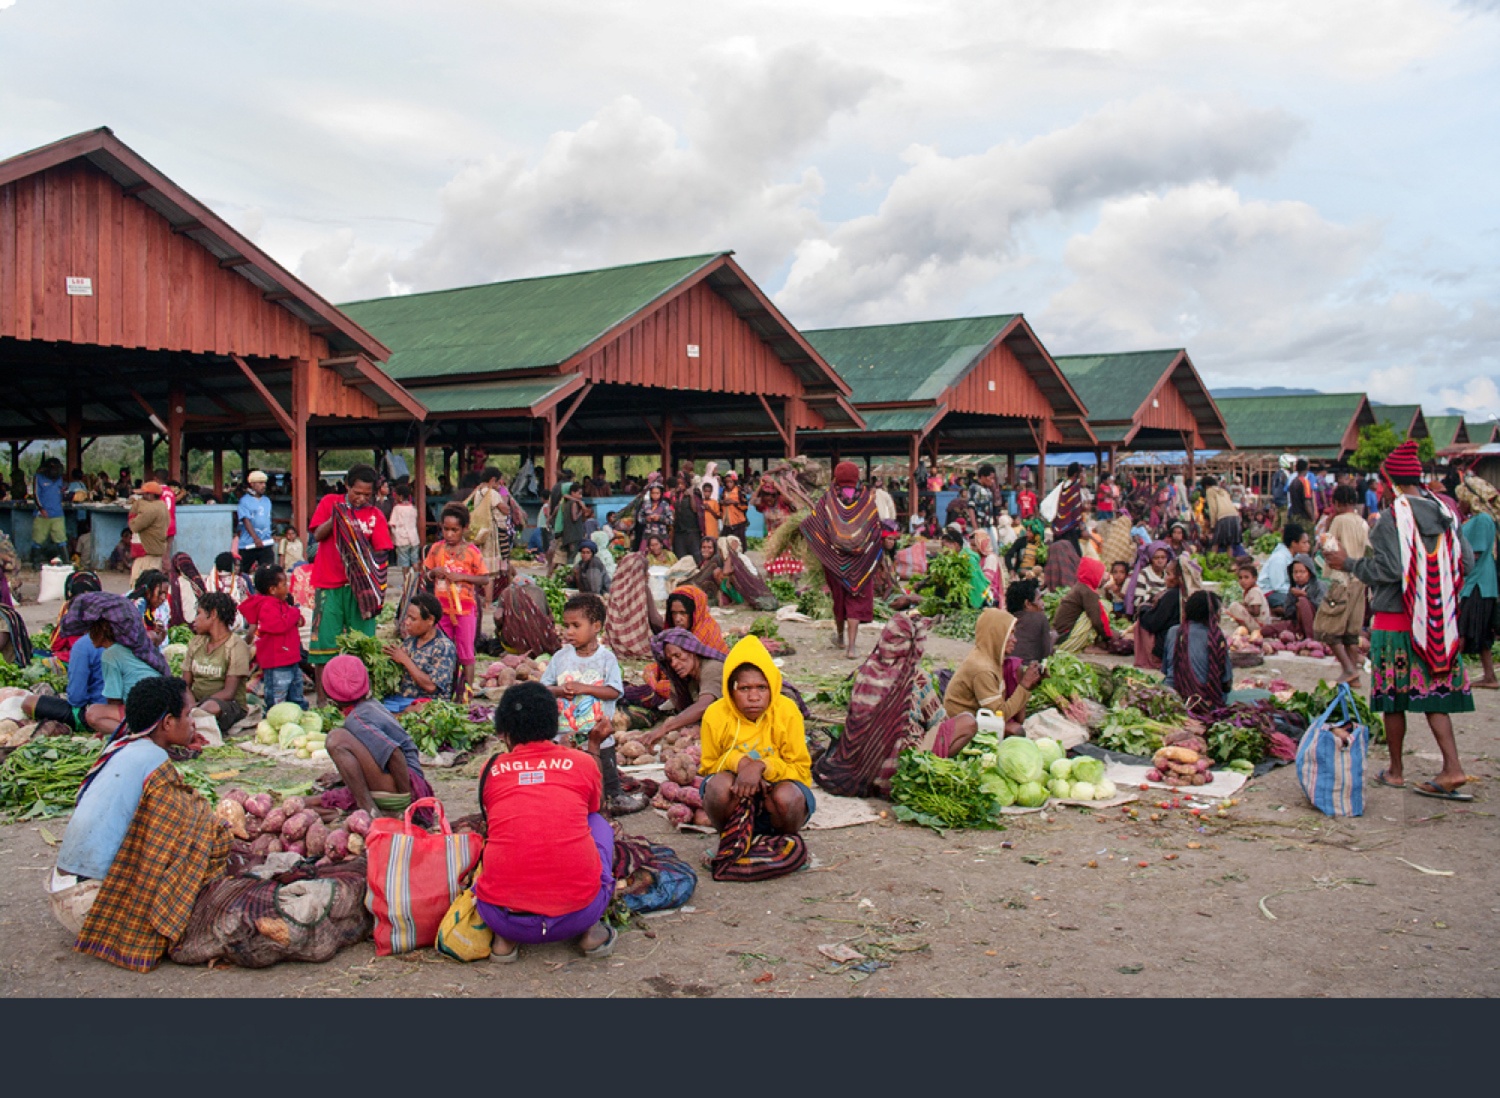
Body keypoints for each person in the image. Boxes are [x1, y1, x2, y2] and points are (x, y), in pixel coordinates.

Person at [48, 675, 232, 972]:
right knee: (207, 846)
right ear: (168, 723)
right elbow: (194, 832)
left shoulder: (120, 747)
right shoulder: (154, 761)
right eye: (188, 715)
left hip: (63, 889)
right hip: (92, 904)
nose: (194, 723)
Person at [1325, 440, 1475, 799]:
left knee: (1393, 697)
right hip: (1436, 620)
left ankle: (1395, 770)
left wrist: (1347, 563)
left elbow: (1389, 569)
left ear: (1389, 480)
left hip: (1395, 620)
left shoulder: (1392, 518)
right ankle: (1453, 766)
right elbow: (1465, 564)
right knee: (1434, 694)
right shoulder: (1446, 513)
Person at [474, 681, 618, 962]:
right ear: (554, 724)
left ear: (504, 733)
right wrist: (593, 746)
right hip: (578, 914)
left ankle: (505, 941)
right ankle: (591, 932)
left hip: (502, 917)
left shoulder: (490, 768)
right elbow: (596, 805)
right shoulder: (582, 763)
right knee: (597, 823)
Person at [699, 635, 814, 835]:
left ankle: (783, 841)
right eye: (744, 689)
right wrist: (741, 764)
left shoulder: (787, 711)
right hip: (736, 796)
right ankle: (729, 839)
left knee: (787, 797)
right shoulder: (716, 714)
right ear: (730, 690)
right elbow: (709, 765)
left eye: (762, 688)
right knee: (718, 787)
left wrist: (762, 768)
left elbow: (801, 769)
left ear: (773, 687)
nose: (754, 697)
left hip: (777, 794)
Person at [540, 593, 644, 814]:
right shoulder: (560, 658)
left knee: (606, 775)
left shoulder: (606, 659)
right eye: (566, 626)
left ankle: (615, 798)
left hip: (598, 733)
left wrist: (584, 688)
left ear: (596, 626)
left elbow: (615, 691)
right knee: (566, 779)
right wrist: (560, 690)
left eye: (576, 626)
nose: (569, 632)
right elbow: (542, 689)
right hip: (564, 734)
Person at [309, 464, 394, 703]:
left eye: (367, 495)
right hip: (329, 584)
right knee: (324, 644)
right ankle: (323, 700)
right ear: (347, 486)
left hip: (361, 591)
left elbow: (382, 552)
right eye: (357, 492)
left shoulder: (375, 515)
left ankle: (360, 697)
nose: (361, 498)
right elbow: (317, 535)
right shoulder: (329, 502)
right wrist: (337, 516)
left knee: (363, 644)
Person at [38, 592, 170, 736]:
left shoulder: (110, 655)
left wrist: (107, 728)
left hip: (147, 711)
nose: (88, 633)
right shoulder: (132, 647)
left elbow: (112, 701)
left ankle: (134, 735)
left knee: (93, 713)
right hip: (159, 706)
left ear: (104, 630)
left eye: (92, 629)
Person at [321, 653, 433, 816]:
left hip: (408, 783)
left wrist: (405, 803)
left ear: (331, 696)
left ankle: (369, 810)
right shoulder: (369, 706)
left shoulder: (357, 719)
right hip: (405, 779)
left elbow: (395, 753)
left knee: (336, 740)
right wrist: (342, 776)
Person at [802, 462, 883, 660]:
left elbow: (814, 523)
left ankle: (840, 638)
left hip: (835, 560)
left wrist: (803, 527)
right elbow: (875, 527)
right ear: (856, 477)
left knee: (839, 599)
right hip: (861, 560)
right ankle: (852, 647)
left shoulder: (830, 498)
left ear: (836, 476)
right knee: (855, 599)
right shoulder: (866, 499)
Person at [425, 502, 489, 698]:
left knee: (466, 652)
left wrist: (461, 578)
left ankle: (466, 695)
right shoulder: (436, 549)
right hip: (441, 609)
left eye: (455, 530)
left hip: (465, 610)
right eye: (446, 529)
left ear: (464, 529)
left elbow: (485, 578)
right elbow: (426, 573)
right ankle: (447, 689)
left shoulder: (471, 552)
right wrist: (434, 573)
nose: (450, 534)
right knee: (445, 649)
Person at [942, 608, 1042, 731]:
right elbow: (1000, 715)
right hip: (960, 727)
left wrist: (1030, 683)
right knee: (1016, 731)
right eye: (1009, 634)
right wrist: (1025, 684)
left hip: (977, 718)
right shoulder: (982, 669)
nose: (1014, 640)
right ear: (996, 635)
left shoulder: (989, 659)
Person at [1314, 484, 1371, 685]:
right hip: (1360, 580)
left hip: (1341, 580)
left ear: (1336, 503)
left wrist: (1327, 528)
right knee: (1351, 631)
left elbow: (1329, 548)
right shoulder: (1363, 523)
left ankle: (1348, 669)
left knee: (1327, 628)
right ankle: (1353, 673)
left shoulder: (1338, 520)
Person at [642, 626, 726, 747]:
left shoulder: (712, 668)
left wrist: (665, 728)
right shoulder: (690, 681)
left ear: (691, 651)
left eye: (678, 655)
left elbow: (704, 705)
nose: (674, 664)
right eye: (670, 660)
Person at [182, 592, 251, 734]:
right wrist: (190, 705)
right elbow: (185, 684)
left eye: (198, 613)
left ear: (212, 614)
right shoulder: (196, 642)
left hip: (227, 705)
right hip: (195, 702)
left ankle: (193, 721)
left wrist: (197, 708)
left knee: (211, 707)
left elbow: (229, 692)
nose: (194, 620)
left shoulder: (236, 645)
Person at [240, 564, 306, 710]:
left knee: (296, 695)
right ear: (273, 589)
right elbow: (279, 625)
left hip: (291, 659)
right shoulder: (267, 606)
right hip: (277, 662)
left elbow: (297, 620)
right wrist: (295, 613)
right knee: (278, 699)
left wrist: (295, 615)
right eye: (284, 584)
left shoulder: (281, 604)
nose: (287, 587)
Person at [1164, 591, 1233, 713]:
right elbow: (1226, 683)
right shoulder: (1216, 637)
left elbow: (1167, 671)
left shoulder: (1174, 632)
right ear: (1212, 614)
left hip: (1173, 698)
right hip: (1208, 703)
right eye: (1218, 612)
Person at [385, 592, 459, 705]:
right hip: (401, 701)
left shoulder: (443, 647)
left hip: (428, 705)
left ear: (430, 620)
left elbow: (431, 686)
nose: (407, 622)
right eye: (407, 617)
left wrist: (405, 660)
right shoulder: (410, 641)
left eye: (413, 619)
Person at [1458, 503, 1497, 689]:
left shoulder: (1482, 519)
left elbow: (1475, 553)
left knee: (1462, 629)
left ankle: (1451, 674)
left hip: (1477, 582)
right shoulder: (1479, 519)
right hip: (1481, 581)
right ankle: (1489, 675)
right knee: (1481, 633)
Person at [1052, 557, 1114, 653]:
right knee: (1101, 608)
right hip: (1067, 636)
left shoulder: (1080, 586)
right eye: (1102, 574)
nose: (1106, 578)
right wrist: (1108, 637)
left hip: (1060, 633)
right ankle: (1088, 645)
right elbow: (1098, 620)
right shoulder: (1088, 592)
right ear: (1094, 575)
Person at [1134, 558, 1183, 668]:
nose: (1165, 578)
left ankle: (1152, 659)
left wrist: (1143, 609)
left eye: (1168, 574)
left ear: (1178, 578)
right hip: (1178, 643)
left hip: (1164, 646)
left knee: (1142, 619)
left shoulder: (1171, 596)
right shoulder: (1185, 594)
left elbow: (1153, 623)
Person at [1259, 523, 1309, 614]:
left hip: (1285, 589)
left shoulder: (1296, 556)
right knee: (1296, 604)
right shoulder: (1279, 558)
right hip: (1270, 591)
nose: (1308, 546)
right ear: (1294, 543)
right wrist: (1295, 591)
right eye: (1304, 543)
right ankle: (1272, 610)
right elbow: (1277, 586)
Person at [126, 480, 170, 582]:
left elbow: (134, 526)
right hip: (154, 551)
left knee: (138, 582)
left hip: (147, 553)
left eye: (143, 495)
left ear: (150, 495)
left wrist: (134, 509)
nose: (141, 498)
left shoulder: (150, 509)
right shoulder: (162, 505)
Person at [1006, 578, 1055, 665]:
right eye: (1039, 599)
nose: (1043, 603)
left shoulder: (1005, 621)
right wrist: (1053, 639)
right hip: (1028, 672)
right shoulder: (1040, 618)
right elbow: (1047, 656)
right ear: (1028, 604)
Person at [237, 470, 275, 573]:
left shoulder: (267, 501)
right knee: (242, 571)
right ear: (252, 484)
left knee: (268, 571)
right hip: (249, 544)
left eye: (264, 483)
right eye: (260, 483)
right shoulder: (244, 501)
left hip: (265, 542)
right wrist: (255, 538)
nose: (264, 486)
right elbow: (246, 520)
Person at [31, 457, 67, 565]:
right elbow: (36, 494)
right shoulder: (38, 478)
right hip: (43, 515)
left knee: (61, 539)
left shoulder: (59, 479)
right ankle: (35, 563)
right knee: (38, 539)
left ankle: (66, 561)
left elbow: (60, 492)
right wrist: (41, 508)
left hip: (58, 513)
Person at [129, 569, 172, 650]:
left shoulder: (151, 607)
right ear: (148, 592)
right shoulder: (138, 604)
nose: (163, 598)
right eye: (160, 593)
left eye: (165, 594)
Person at [1226, 563, 1274, 634]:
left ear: (1255, 578)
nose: (1243, 581)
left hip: (1259, 626)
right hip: (1260, 624)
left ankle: (1246, 631)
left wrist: (1244, 607)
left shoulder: (1254, 591)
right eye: (1240, 578)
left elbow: (1256, 612)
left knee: (1234, 606)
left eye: (1246, 577)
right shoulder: (1250, 591)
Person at [1201, 475, 1241, 554]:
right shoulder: (1223, 490)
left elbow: (1213, 509)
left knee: (1216, 542)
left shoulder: (1209, 491)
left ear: (1205, 485)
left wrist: (1213, 525)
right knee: (1229, 543)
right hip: (1234, 516)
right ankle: (1229, 563)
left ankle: (1212, 562)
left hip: (1223, 517)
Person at [388, 484, 421, 575]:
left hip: (402, 539)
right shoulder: (413, 508)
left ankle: (406, 583)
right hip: (414, 537)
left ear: (400, 496)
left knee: (404, 562)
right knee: (415, 561)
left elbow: (392, 523)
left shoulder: (397, 508)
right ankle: (417, 581)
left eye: (396, 495)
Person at [1052, 462, 1085, 553]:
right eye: (1082, 473)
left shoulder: (1063, 486)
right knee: (1074, 553)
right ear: (1076, 474)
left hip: (1061, 524)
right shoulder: (1074, 488)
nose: (1084, 476)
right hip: (1068, 527)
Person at [636, 483, 673, 550]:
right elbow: (639, 518)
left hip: (661, 535)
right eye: (653, 493)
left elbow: (671, 520)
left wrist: (660, 518)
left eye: (657, 493)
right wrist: (646, 519)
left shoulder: (665, 504)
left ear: (661, 493)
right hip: (648, 534)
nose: (655, 495)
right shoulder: (646, 504)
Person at [720, 471, 750, 543]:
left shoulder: (739, 491)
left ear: (734, 481)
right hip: (727, 521)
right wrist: (723, 502)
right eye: (727, 482)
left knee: (737, 543)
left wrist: (734, 502)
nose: (728, 484)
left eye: (730, 482)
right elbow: (720, 502)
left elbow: (745, 506)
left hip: (738, 522)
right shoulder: (724, 491)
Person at [1289, 458, 1316, 526]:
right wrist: (1312, 517)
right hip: (1304, 519)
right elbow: (1307, 502)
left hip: (1294, 517)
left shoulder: (1293, 482)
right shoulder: (1305, 482)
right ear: (1307, 467)